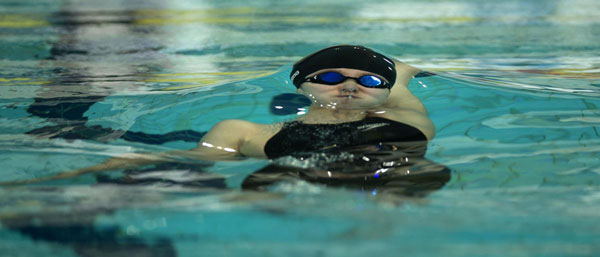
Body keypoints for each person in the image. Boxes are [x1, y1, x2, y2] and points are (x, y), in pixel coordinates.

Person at [3, 45, 449, 196]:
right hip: (282, 191)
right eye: (330, 77)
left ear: (383, 90)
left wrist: (383, 68)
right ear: (301, 87)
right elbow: (188, 167)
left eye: (367, 80)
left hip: (401, 182)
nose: (350, 87)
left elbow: (400, 69)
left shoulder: (405, 113)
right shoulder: (246, 132)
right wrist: (78, 174)